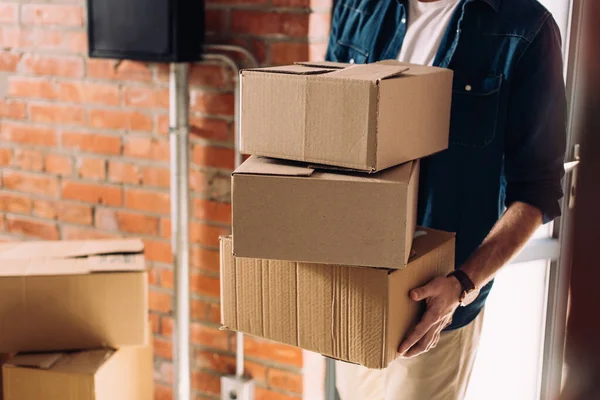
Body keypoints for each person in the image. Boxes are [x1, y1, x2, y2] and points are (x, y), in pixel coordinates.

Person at [326, 0, 567, 399]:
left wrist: (462, 285)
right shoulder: (356, 7)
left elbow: (537, 190)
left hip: (436, 305)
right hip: (354, 292)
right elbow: (322, 134)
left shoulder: (526, 27)